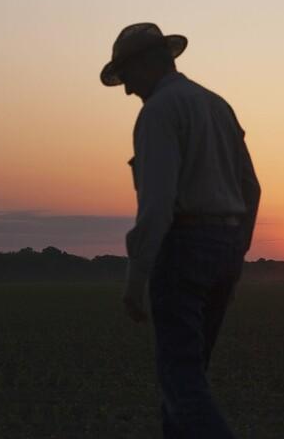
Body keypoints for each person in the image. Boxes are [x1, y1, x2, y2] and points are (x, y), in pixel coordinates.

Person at [101, 22, 261, 438]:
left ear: (146, 65)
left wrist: (135, 280)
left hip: (183, 249)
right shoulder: (217, 105)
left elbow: (156, 205)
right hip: (224, 249)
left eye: (127, 75)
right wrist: (234, 250)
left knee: (181, 384)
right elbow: (251, 188)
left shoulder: (157, 112)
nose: (126, 89)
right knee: (186, 382)